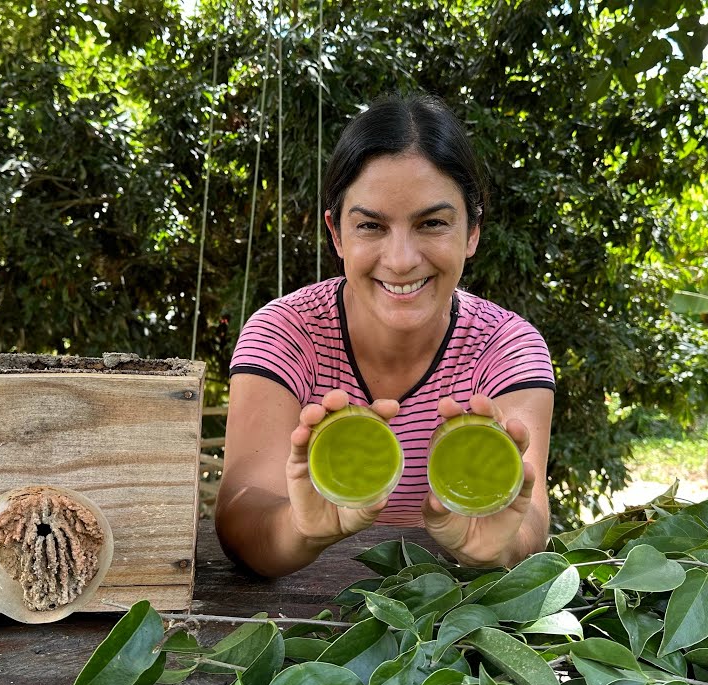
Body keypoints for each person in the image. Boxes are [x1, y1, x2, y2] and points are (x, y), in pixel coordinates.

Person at [215, 94, 556, 577]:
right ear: (337, 234)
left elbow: (529, 522)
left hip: (445, 629)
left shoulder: (507, 348)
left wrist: (497, 548)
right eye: (371, 226)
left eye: (432, 223)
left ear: (473, 231)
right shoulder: (284, 334)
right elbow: (240, 518)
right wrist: (301, 529)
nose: (400, 260)